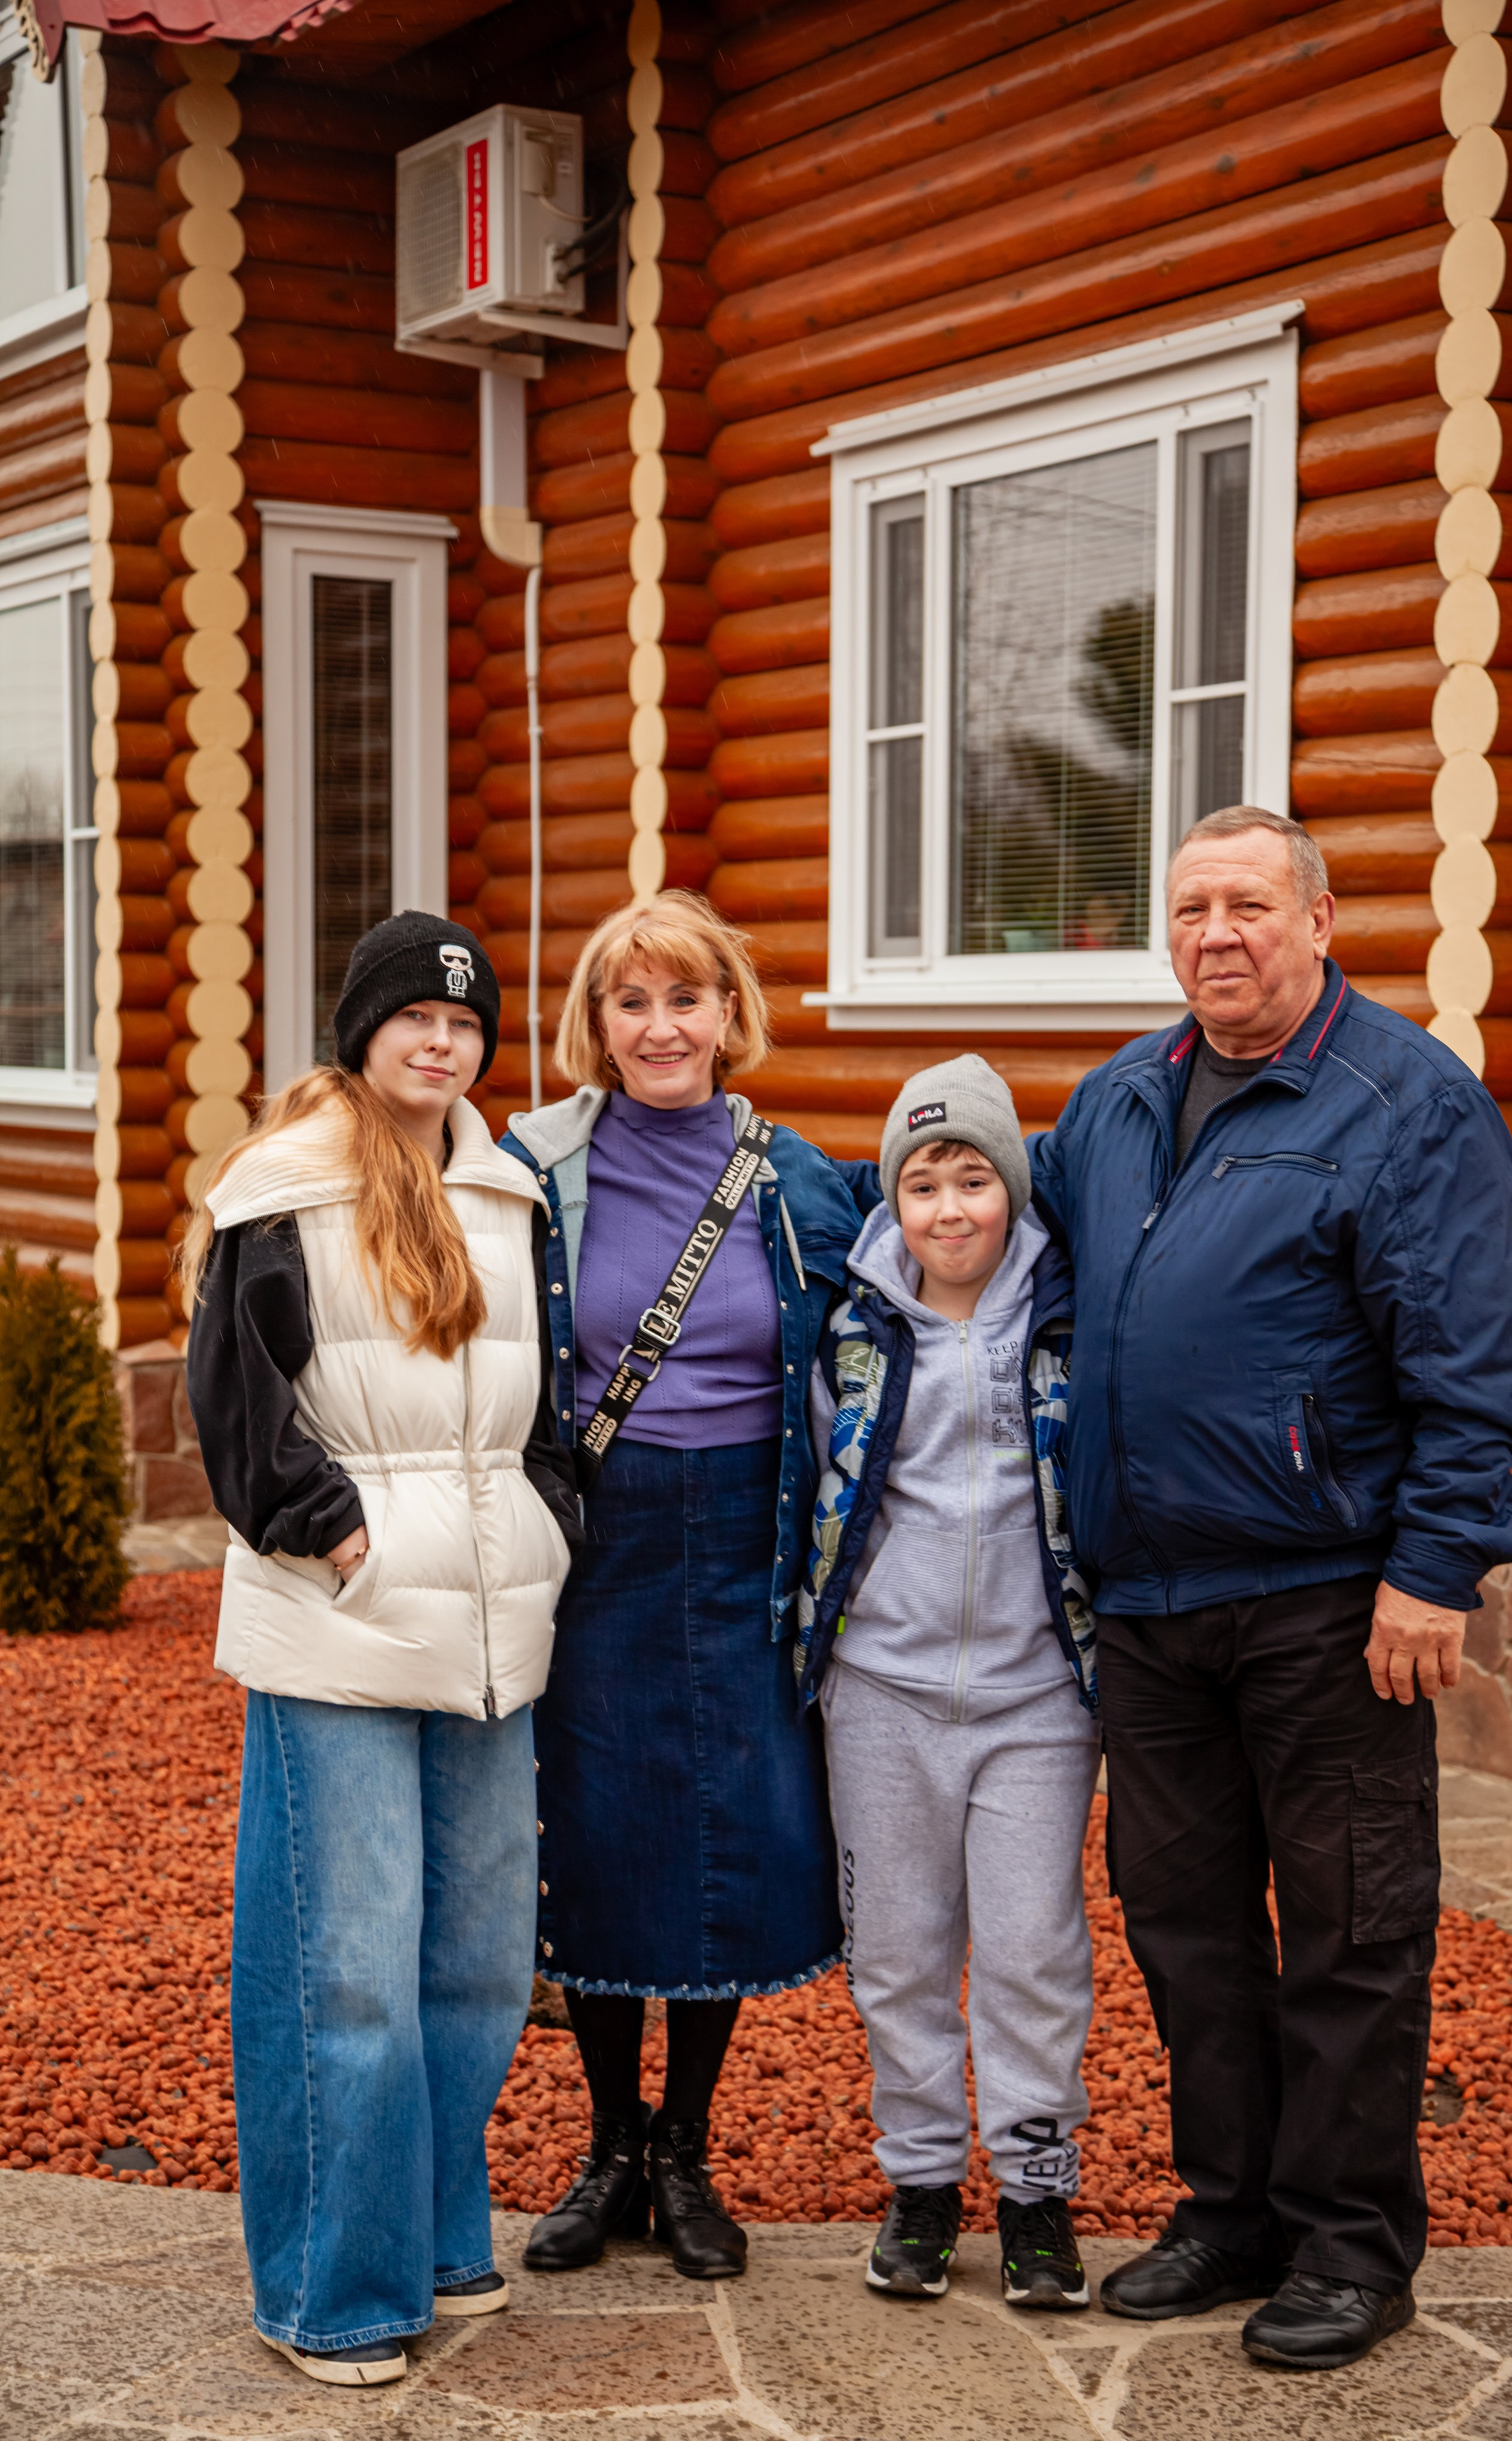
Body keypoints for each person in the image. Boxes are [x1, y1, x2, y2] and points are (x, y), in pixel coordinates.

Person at [1028, 806, 1512, 2371]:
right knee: (1182, 1927)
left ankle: (1347, 2242)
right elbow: (993, 1236)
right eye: (1190, 910)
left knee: (1347, 1931)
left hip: (1331, 1598)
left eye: (1250, 904)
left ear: (1320, 922)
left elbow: (1473, 1370)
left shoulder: (1406, 1106)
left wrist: (1430, 1571)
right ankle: (1229, 2209)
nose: (1216, 935)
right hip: (1149, 1606)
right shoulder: (1117, 1101)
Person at [183, 912, 580, 2388]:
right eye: (413, 1016)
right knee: (342, 1975)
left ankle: (431, 2232)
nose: (441, 1042)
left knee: (473, 1968)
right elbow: (237, 1404)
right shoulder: (284, 1185)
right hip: (340, 1626)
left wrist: (548, 1521)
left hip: (491, 1633)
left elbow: (541, 1402)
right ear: (361, 1032)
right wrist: (331, 1533)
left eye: (465, 1024)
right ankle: (334, 2292)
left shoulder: (505, 1187)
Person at [502, 891, 864, 2281]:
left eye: (685, 998)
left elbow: (887, 1335)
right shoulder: (532, 1171)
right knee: (596, 1832)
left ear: (728, 1014)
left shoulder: (798, 1183)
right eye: (630, 1002)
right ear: (596, 1023)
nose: (660, 1027)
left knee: (731, 1832)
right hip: (599, 1539)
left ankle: (687, 2149)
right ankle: (606, 2147)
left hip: (749, 1541)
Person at [797, 1056, 1101, 2310]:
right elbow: (813, 1489)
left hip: (1035, 1701)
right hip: (882, 1692)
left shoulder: (1068, 1324)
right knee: (898, 1956)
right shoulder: (855, 1332)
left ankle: (1034, 2189)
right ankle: (921, 2182)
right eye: (922, 1183)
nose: (949, 1209)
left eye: (973, 1177)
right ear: (894, 1199)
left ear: (1010, 1193)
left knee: (1032, 1950)